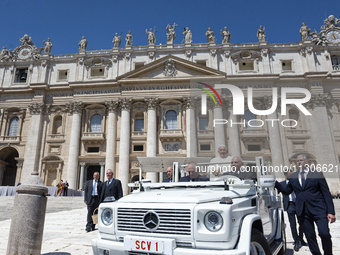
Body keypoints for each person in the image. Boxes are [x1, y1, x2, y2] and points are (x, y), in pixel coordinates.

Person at [275, 154, 336, 255]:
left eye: (301, 160)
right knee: (310, 236)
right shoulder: (293, 176)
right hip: (303, 211)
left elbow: (326, 194)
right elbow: (286, 191)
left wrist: (331, 211)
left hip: (319, 209)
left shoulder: (317, 174)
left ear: (307, 162)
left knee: (324, 233)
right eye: (297, 161)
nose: (299, 162)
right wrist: (275, 183)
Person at [278, 169, 307, 251]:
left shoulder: (297, 182)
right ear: (286, 175)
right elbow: (275, 193)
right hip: (289, 205)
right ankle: (296, 241)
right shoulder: (282, 184)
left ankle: (301, 238)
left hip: (298, 204)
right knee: (292, 224)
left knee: (302, 223)